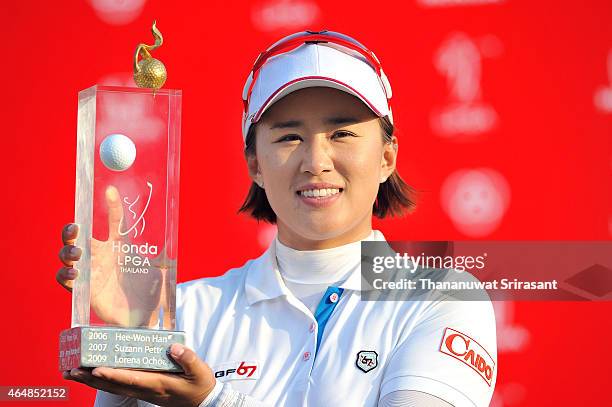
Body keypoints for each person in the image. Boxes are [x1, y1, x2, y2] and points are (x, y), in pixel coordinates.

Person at [56, 30, 497, 407]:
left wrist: (213, 401)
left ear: (386, 157)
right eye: (289, 136)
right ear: (255, 165)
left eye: (341, 133)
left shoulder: (438, 299)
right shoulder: (184, 313)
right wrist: (130, 335)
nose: (315, 161)